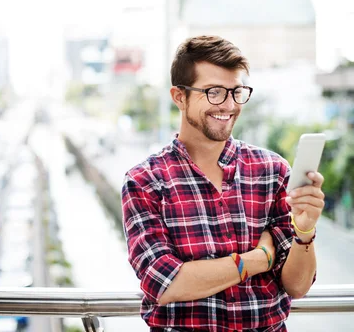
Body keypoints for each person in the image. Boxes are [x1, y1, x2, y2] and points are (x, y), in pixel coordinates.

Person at [121, 35, 325, 331]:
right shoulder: (145, 181)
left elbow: (297, 287)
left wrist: (304, 232)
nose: (229, 105)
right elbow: (163, 283)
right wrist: (259, 258)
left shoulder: (272, 171)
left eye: (236, 91)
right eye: (214, 92)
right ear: (179, 96)